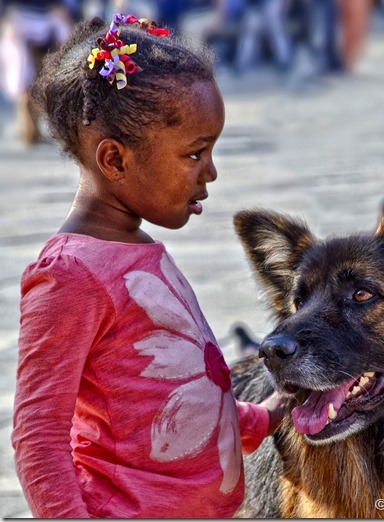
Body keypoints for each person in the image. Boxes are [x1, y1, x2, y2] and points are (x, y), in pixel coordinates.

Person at [11, 14, 286, 519]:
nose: (211, 172)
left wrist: (261, 418)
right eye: (195, 153)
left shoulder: (139, 248)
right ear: (115, 161)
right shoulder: (70, 276)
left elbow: (167, 392)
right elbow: (38, 435)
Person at [0, 0, 72, 144]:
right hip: (18, 20)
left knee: (66, 57)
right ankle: (30, 131)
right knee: (22, 76)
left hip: (48, 21)